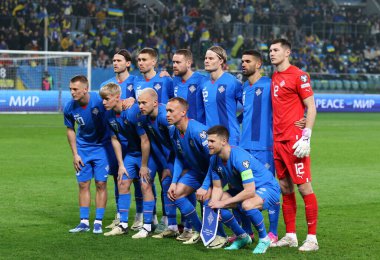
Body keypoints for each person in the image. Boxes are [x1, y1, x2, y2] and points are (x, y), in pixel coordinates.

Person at [269, 38, 319, 251]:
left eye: (276, 50)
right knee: (285, 188)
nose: (271, 53)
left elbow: (312, 107)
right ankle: (291, 235)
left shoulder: (299, 76)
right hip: (278, 140)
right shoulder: (275, 76)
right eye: (270, 50)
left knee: (304, 187)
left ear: (287, 52)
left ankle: (312, 239)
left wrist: (306, 135)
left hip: (294, 141)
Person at [207, 125, 281, 254]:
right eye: (208, 141)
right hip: (246, 189)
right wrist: (215, 205)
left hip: (267, 187)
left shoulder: (239, 158)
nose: (208, 144)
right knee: (213, 203)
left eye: (212, 141)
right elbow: (218, 187)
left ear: (224, 141)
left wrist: (223, 203)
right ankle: (243, 236)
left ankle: (264, 239)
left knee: (247, 204)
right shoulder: (214, 160)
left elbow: (250, 191)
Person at [99, 83, 157, 238]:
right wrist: (121, 164)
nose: (103, 102)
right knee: (122, 182)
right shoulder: (108, 115)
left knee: (145, 185)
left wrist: (144, 165)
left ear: (117, 97)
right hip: (131, 154)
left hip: (147, 154)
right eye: (102, 99)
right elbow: (114, 138)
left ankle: (147, 226)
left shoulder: (132, 112)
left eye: (106, 99)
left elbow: (145, 141)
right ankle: (123, 224)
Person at [64, 75, 116, 234]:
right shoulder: (69, 107)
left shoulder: (100, 101)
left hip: (102, 147)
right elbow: (70, 129)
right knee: (83, 184)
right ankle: (84, 222)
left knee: (101, 184)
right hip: (83, 149)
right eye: (70, 89)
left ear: (85, 89)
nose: (72, 93)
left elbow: (115, 107)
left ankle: (98, 222)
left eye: (75, 89)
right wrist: (75, 154)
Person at [100, 49, 138, 229]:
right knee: (118, 176)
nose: (115, 63)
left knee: (139, 178)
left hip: (133, 138)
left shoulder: (136, 81)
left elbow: (147, 97)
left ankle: (141, 216)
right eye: (113, 60)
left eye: (119, 60)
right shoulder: (107, 84)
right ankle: (119, 215)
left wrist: (133, 99)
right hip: (115, 138)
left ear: (128, 63)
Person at [165, 97, 210, 243]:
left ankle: (242, 233)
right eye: (166, 111)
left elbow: (214, 160)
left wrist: (206, 186)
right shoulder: (173, 131)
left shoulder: (198, 131)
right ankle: (199, 230)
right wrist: (174, 182)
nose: (167, 114)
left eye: (171, 111)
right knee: (176, 194)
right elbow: (178, 157)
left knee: (207, 200)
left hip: (213, 172)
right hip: (197, 171)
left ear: (183, 112)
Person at [136, 88, 178, 237]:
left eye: (143, 103)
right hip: (157, 154)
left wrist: (167, 166)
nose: (140, 106)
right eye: (139, 103)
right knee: (144, 181)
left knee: (169, 185)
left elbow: (176, 144)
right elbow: (147, 141)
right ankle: (147, 225)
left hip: (173, 155)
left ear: (155, 103)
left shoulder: (164, 117)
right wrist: (144, 165)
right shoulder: (142, 117)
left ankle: (176, 224)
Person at [202, 46, 242, 146]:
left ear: (221, 61)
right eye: (206, 58)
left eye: (211, 58)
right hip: (210, 138)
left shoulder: (233, 82)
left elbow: (249, 107)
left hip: (230, 139)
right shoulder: (203, 83)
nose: (206, 61)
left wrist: (237, 121)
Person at [172, 49, 207, 124]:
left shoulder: (202, 80)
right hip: (181, 130)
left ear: (188, 63)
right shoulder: (175, 80)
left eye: (178, 62)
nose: (174, 65)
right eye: (173, 62)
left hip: (198, 130)